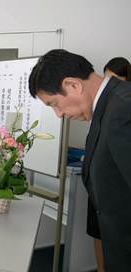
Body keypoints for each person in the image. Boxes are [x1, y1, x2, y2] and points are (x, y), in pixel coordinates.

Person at [29, 49, 131, 271]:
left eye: (54, 103)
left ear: (73, 85)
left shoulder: (124, 108)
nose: (58, 114)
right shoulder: (105, 108)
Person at [86, 56, 131, 272]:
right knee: (99, 234)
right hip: (100, 192)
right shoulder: (102, 105)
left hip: (117, 205)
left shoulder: (123, 105)